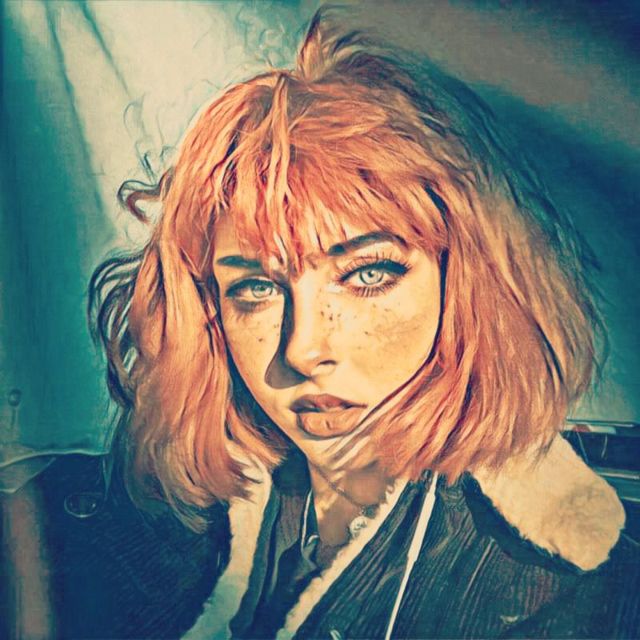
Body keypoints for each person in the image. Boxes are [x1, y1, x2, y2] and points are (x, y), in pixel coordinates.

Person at [63, 7, 638, 639]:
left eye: (367, 273)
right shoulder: (159, 530)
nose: (304, 348)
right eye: (256, 289)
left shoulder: (570, 595)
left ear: (466, 285)